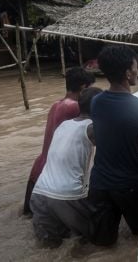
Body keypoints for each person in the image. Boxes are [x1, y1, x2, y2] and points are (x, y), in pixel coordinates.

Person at [88, 46, 138, 246]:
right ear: (128, 73)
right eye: (136, 67)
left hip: (99, 184)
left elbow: (107, 130)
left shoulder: (96, 102)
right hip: (131, 186)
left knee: (102, 245)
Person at [30, 87, 103, 247]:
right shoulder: (92, 128)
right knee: (92, 240)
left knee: (49, 247)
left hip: (40, 192)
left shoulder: (64, 125)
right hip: (67, 196)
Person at [23, 67, 95, 216]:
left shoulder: (56, 104)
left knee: (31, 220)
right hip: (56, 174)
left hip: (40, 169)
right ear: (83, 88)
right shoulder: (74, 107)